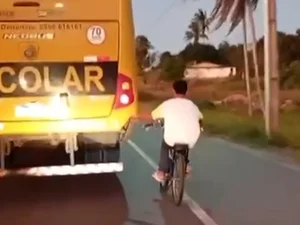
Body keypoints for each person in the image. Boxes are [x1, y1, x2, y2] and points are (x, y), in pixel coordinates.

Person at [136, 79, 203, 182]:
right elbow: (200, 119)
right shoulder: (192, 105)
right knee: (187, 141)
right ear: (186, 91)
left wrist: (134, 115)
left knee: (165, 145)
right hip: (192, 138)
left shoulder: (167, 104)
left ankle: (162, 172)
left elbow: (152, 116)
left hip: (172, 137)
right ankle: (186, 165)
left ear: (173, 90)